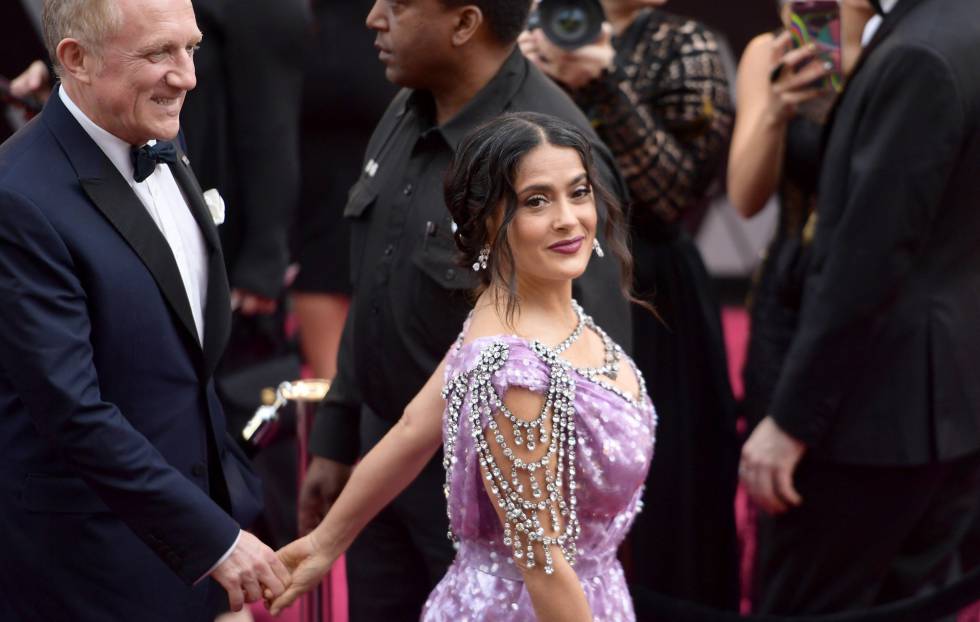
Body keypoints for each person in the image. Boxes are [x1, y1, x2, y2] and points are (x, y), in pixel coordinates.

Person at [297, 1, 633, 619]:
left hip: (487, 505)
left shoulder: (551, 152)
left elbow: (592, 365)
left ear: (464, 22)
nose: (373, 18)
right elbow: (374, 276)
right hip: (384, 467)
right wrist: (339, 432)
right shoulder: (406, 108)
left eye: (397, 5)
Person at [0, 0, 292, 619]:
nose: (187, 76)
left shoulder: (160, 131)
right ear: (75, 59)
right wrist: (214, 541)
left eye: (191, 48)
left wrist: (230, 503)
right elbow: (72, 410)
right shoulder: (17, 200)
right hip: (87, 567)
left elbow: (186, 364)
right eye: (159, 53)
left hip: (199, 546)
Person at [740, 0, 980, 614]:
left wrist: (791, 423)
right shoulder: (955, 26)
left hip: (872, 407)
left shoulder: (917, 54)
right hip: (939, 396)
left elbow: (868, 262)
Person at [519, 0, 739, 607]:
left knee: (670, 492)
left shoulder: (684, 45)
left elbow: (674, 194)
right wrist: (522, 72)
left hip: (653, 293)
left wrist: (602, 83)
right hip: (545, 280)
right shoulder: (531, 31)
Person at [730, 0, 875, 429]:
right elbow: (745, 198)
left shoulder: (903, 45)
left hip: (882, 283)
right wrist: (776, 112)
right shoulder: (773, 51)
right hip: (792, 288)